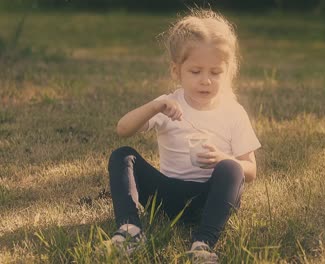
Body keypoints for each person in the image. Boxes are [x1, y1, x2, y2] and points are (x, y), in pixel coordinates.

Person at [107, 9, 261, 263]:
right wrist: (155, 106)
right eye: (195, 71)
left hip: (210, 198)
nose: (206, 81)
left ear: (228, 71)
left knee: (232, 169)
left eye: (215, 72)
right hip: (167, 198)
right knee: (122, 155)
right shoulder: (168, 105)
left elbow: (251, 170)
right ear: (176, 71)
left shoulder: (233, 112)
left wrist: (223, 158)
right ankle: (130, 230)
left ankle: (203, 244)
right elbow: (123, 129)